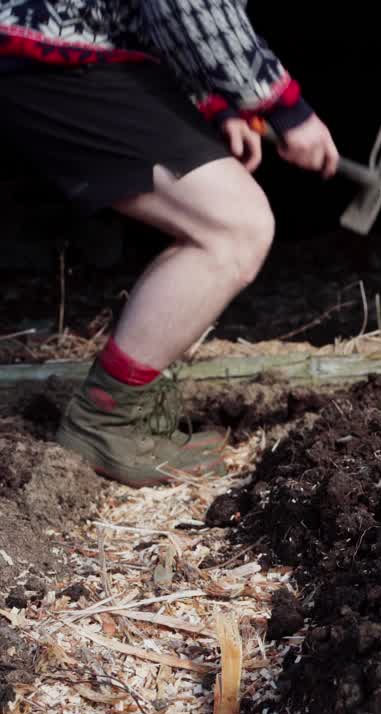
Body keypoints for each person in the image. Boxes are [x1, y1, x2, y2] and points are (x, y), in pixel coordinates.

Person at [0, 1, 339, 487]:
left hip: (75, 44)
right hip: (47, 48)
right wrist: (281, 104)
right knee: (234, 226)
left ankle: (121, 408)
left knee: (227, 223)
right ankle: (105, 422)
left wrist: (215, 99)